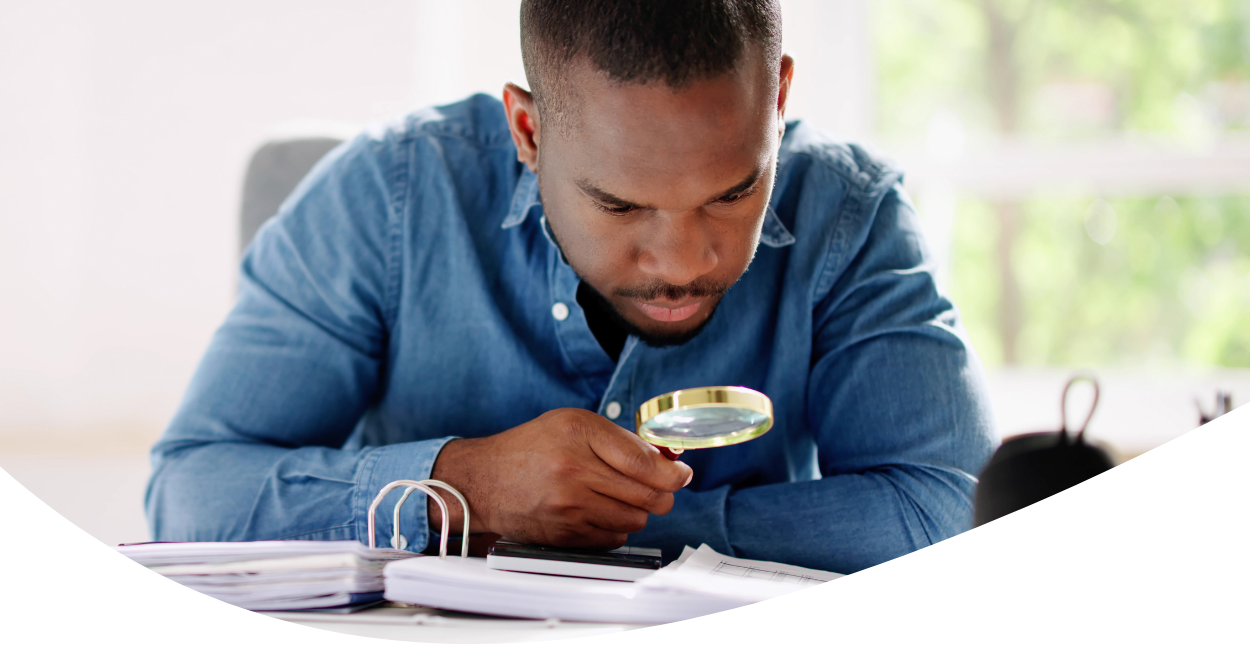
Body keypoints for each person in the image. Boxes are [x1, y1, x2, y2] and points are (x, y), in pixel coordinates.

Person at [146, 0, 996, 574]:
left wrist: (608, 522)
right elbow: (188, 496)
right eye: (621, 203)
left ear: (777, 100)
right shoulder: (385, 198)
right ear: (529, 129)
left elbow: (946, 513)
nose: (682, 261)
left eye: (734, 192)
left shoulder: (852, 216)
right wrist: (467, 485)